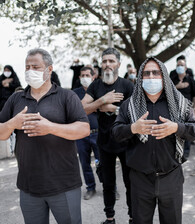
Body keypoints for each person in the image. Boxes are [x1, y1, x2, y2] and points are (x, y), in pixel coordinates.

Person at [0, 48, 90, 224]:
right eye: (27, 67)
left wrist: (51, 127)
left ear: (49, 70)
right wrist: (12, 124)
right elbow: (2, 134)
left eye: (35, 66)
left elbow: (84, 129)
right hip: (29, 186)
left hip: (64, 185)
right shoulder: (16, 99)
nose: (30, 71)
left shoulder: (66, 96)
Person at [112, 57, 195, 224]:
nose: (151, 77)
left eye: (156, 73)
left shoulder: (179, 103)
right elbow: (115, 133)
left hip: (171, 176)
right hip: (140, 179)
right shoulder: (129, 105)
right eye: (146, 73)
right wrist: (133, 128)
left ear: (164, 76)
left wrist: (177, 128)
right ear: (140, 78)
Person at [81, 48, 134, 224]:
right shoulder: (96, 86)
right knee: (108, 184)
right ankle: (109, 218)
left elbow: (136, 113)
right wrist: (102, 101)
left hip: (127, 142)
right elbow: (82, 109)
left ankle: (133, 218)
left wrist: (115, 109)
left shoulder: (127, 85)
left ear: (118, 63)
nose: (107, 65)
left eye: (111, 61)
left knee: (130, 183)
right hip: (104, 143)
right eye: (104, 61)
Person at [73, 66, 100, 200]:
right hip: (81, 135)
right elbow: (74, 111)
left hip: (98, 133)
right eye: (82, 75)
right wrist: (94, 107)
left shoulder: (99, 91)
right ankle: (91, 188)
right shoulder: (74, 93)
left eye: (87, 75)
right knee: (85, 163)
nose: (84, 78)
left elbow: (104, 109)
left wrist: (86, 107)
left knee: (103, 162)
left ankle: (110, 188)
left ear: (93, 76)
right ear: (79, 78)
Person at [171, 58, 195, 159]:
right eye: (178, 65)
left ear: (186, 68)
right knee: (176, 130)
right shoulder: (172, 79)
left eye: (181, 65)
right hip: (175, 108)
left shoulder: (190, 80)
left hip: (187, 109)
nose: (179, 67)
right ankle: (176, 150)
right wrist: (178, 86)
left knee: (186, 130)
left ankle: (186, 152)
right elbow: (168, 91)